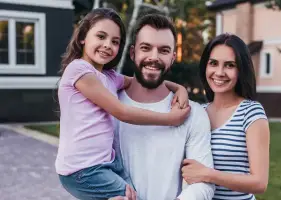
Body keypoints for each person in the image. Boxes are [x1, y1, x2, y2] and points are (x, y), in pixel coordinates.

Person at [56, 8, 191, 200]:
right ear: (83, 38)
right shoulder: (79, 70)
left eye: (115, 41)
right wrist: (170, 119)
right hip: (82, 169)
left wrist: (179, 89)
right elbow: (121, 112)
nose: (107, 45)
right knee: (132, 197)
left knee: (133, 194)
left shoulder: (109, 77)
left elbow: (140, 79)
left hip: (107, 162)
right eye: (101, 36)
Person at [114, 14, 215, 200]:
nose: (154, 57)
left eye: (164, 50)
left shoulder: (193, 115)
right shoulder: (109, 108)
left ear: (173, 57)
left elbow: (203, 184)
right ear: (132, 52)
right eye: (146, 48)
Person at [181, 33, 270, 200]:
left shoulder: (250, 112)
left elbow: (260, 183)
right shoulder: (198, 112)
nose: (219, 72)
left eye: (229, 65)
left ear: (241, 70)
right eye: (213, 63)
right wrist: (177, 89)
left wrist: (208, 174)